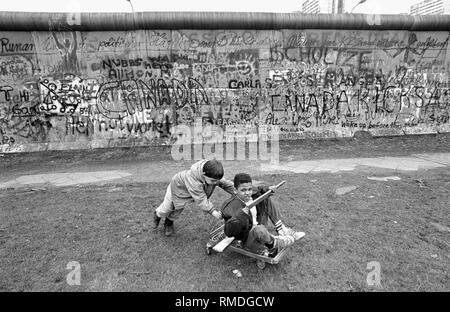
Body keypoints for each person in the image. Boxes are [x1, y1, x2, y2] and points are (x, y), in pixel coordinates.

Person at [221, 173, 305, 257]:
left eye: (249, 189)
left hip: (260, 226)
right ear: (235, 190)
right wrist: (241, 215)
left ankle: (282, 229)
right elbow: (229, 232)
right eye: (243, 190)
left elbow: (259, 189)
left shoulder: (251, 195)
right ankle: (274, 242)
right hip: (247, 238)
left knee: (265, 198)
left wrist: (268, 189)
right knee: (258, 229)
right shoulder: (229, 206)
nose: (247, 193)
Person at [153, 159, 235, 236]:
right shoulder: (193, 179)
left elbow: (225, 183)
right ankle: (157, 214)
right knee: (167, 208)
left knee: (178, 209)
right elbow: (201, 199)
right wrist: (213, 212)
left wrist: (237, 191)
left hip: (189, 192)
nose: (216, 183)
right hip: (176, 188)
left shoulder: (212, 173)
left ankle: (168, 224)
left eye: (217, 180)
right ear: (203, 174)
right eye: (213, 181)